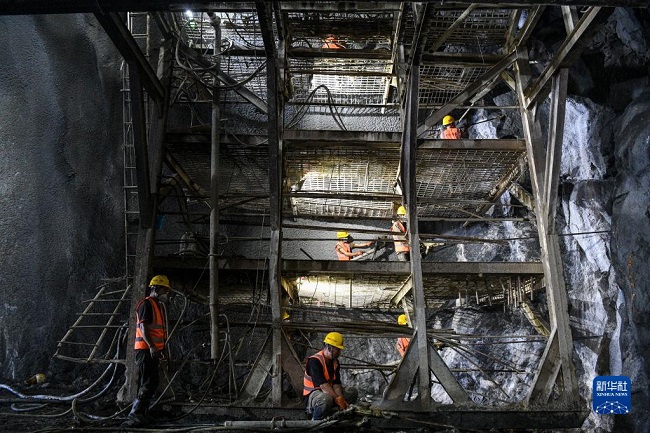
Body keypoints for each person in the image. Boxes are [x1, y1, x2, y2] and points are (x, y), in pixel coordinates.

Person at [123, 275, 172, 427]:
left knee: (152, 382)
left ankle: (143, 414)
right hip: (145, 350)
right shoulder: (146, 304)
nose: (166, 293)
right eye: (164, 290)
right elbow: (143, 327)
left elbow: (157, 331)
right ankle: (135, 415)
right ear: (155, 288)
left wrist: (160, 349)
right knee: (147, 383)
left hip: (152, 350)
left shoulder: (156, 305)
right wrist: (152, 346)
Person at [304, 332, 358, 420]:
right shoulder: (314, 361)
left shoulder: (335, 362)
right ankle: (316, 421)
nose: (339, 352)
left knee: (352, 391)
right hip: (314, 394)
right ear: (329, 347)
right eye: (337, 349)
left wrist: (341, 399)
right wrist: (338, 399)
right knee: (326, 398)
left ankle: (341, 415)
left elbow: (336, 384)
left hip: (329, 391)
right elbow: (323, 385)